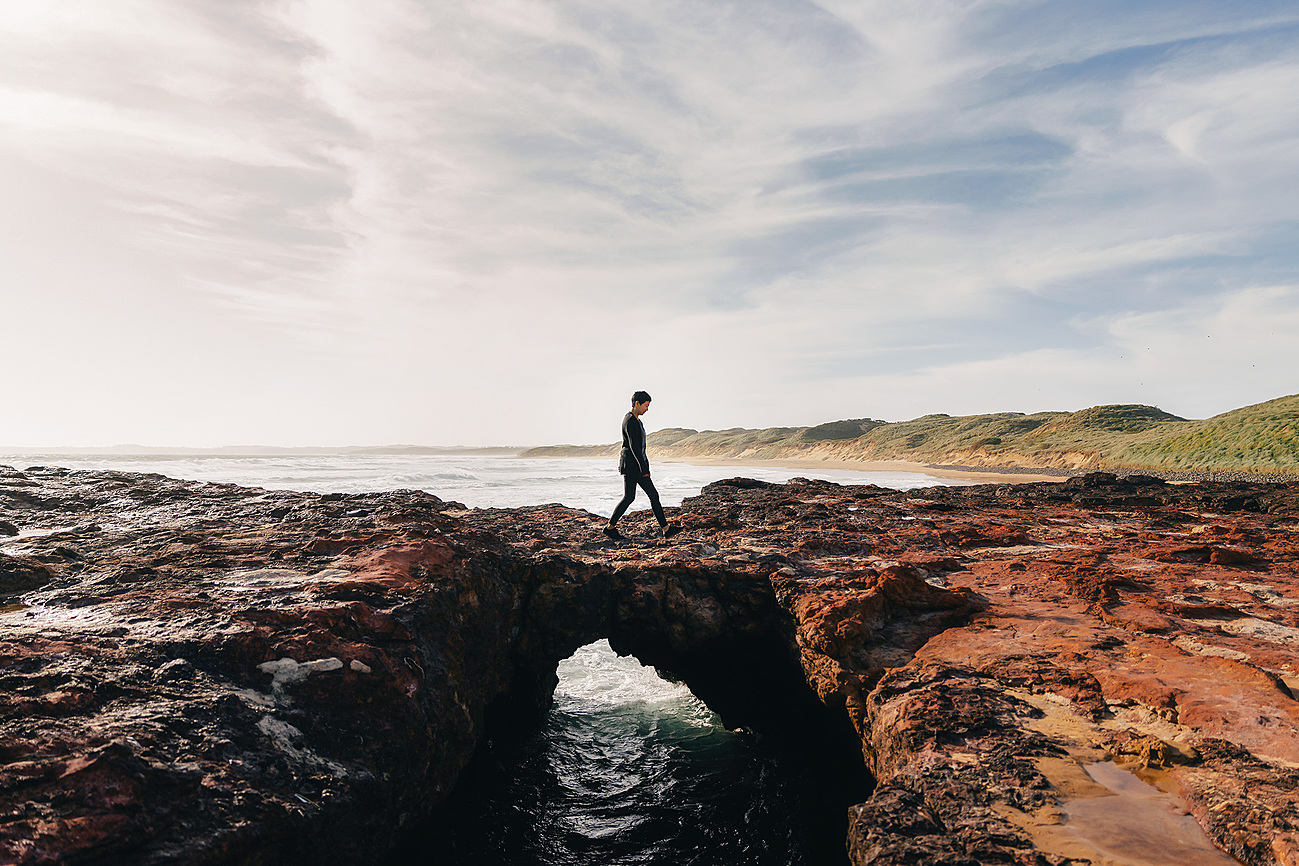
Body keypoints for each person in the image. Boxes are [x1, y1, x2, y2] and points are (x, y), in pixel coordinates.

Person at [604, 390, 681, 541]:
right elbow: (633, 447)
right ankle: (665, 529)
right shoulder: (630, 420)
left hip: (634, 464)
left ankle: (611, 528)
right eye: (646, 405)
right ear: (637, 403)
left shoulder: (636, 420)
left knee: (632, 497)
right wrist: (644, 469)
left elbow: (633, 447)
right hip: (635, 466)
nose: (647, 409)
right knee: (644, 496)